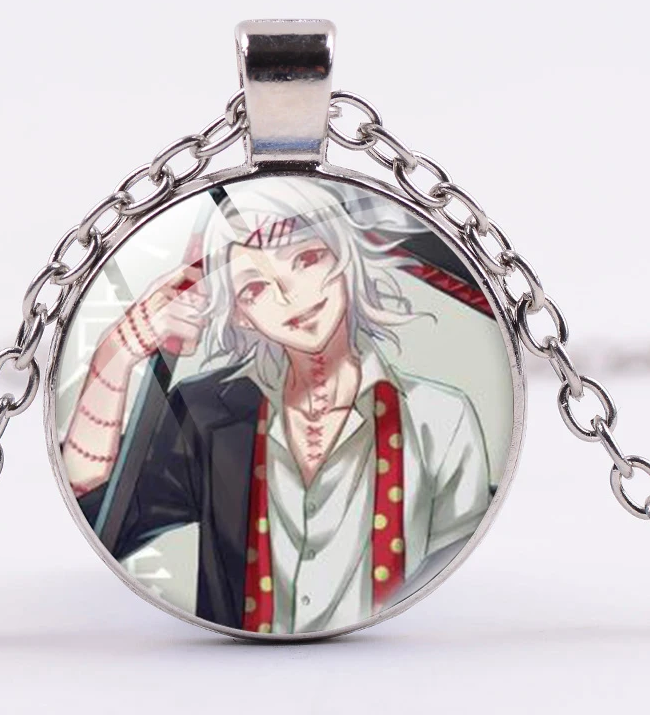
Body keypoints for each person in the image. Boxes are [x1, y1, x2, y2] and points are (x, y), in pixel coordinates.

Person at [63, 178, 491, 635]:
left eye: (305, 259)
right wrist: (115, 357)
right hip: (231, 672)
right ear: (239, 314)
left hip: (386, 656)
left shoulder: (439, 419)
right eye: (255, 288)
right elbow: (103, 523)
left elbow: (451, 577)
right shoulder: (205, 413)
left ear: (346, 258)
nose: (290, 296)